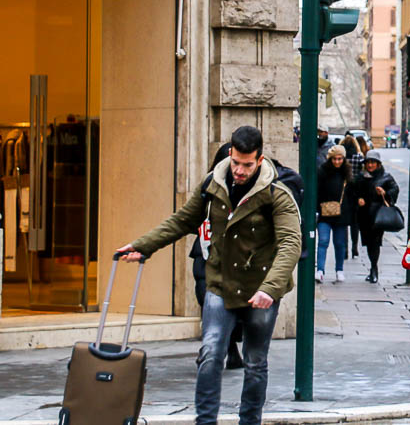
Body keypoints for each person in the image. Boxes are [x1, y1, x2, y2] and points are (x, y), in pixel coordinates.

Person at [116, 126, 301, 424]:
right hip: (220, 282)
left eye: (248, 165)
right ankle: (205, 421)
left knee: (254, 362)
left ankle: (250, 421)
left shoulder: (277, 193)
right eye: (237, 162)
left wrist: (270, 288)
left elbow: (291, 243)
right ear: (231, 154)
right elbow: (183, 220)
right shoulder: (213, 184)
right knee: (211, 352)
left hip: (261, 288)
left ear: (260, 159)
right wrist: (143, 246)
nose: (240, 171)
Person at [189, 143, 244, 370]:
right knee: (207, 302)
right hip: (205, 254)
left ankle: (227, 348)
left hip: (234, 259)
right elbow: (189, 218)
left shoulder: (249, 190)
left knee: (229, 306)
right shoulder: (207, 188)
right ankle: (212, 349)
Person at [351, 150, 399, 283]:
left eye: (373, 163)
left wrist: (384, 192)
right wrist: (358, 199)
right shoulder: (360, 177)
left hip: (378, 216)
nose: (370, 165)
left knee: (375, 243)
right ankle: (373, 267)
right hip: (364, 216)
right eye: (368, 163)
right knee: (368, 243)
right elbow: (353, 191)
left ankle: (374, 268)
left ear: (378, 164)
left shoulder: (385, 177)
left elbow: (394, 190)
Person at [316, 145, 352, 284]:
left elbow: (351, 193)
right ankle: (320, 270)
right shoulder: (322, 171)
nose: (337, 162)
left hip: (341, 214)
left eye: (340, 159)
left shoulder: (346, 173)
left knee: (339, 243)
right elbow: (317, 191)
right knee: (323, 241)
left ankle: (339, 270)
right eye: (334, 159)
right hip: (325, 212)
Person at [343, 134, 365, 257]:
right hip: (356, 192)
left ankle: (345, 249)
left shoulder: (342, 159)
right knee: (354, 223)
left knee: (344, 224)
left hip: (344, 192)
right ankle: (354, 246)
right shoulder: (358, 158)